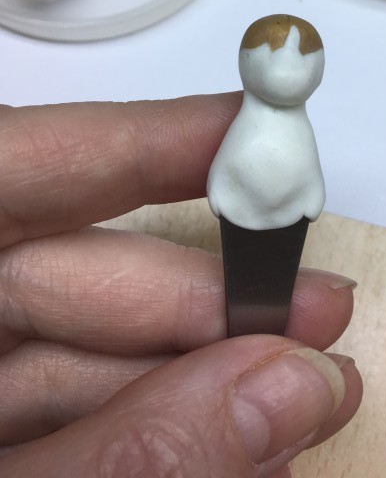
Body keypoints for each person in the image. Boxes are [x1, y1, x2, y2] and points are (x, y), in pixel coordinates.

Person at [0, 93, 362, 477]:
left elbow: (307, 171)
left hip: (282, 219)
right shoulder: (249, 125)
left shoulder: (295, 129)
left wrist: (310, 193)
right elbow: (226, 165)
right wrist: (222, 187)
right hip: (243, 215)